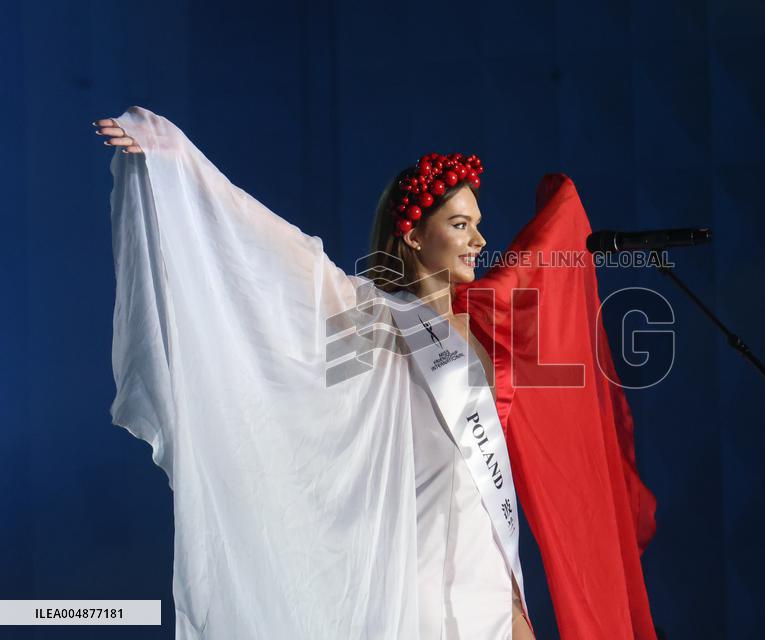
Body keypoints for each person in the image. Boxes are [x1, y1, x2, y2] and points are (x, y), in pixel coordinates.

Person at [96, 107, 659, 639]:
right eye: (459, 225)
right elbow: (280, 250)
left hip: (489, 581)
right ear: (414, 236)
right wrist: (180, 164)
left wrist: (514, 605)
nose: (478, 242)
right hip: (415, 583)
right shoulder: (373, 319)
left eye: (478, 225)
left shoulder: (484, 331)